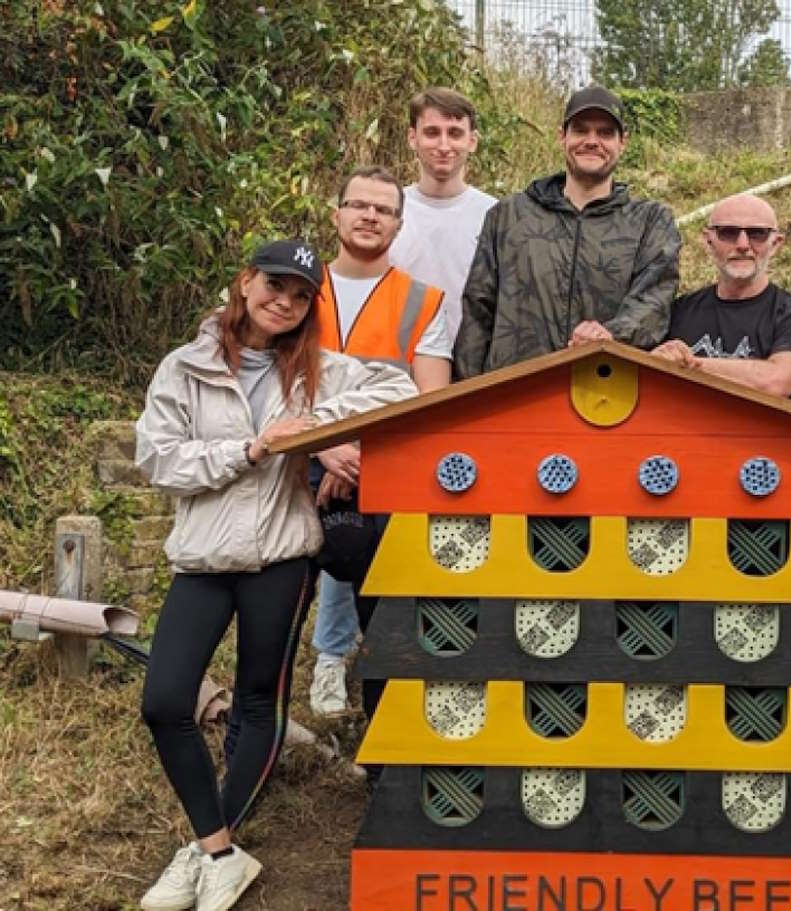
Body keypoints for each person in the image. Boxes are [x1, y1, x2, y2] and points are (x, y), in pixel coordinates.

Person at [135, 239, 417, 911]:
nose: (284, 301)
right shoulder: (186, 367)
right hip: (203, 556)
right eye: (274, 285)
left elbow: (399, 386)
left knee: (260, 700)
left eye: (299, 294)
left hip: (283, 556)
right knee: (166, 701)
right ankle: (217, 848)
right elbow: (158, 459)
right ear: (245, 282)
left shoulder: (317, 368)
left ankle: (209, 849)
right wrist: (253, 447)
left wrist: (315, 428)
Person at [306, 165, 449, 718]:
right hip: (293, 474)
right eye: (359, 205)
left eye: (384, 210)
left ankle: (385, 741)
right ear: (336, 212)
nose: (370, 216)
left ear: (399, 223)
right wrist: (324, 448)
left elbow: (428, 404)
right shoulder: (295, 288)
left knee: (385, 613)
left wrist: (356, 459)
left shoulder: (422, 300)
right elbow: (269, 387)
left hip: (378, 477)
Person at [451, 84, 680, 378]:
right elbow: (477, 312)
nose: (592, 141)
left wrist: (608, 336)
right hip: (515, 395)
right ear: (562, 136)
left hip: (606, 395)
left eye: (605, 133)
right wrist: (466, 394)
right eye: (581, 130)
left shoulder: (650, 222)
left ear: (623, 142)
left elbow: (654, 303)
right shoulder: (509, 216)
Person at [650, 193, 791, 401]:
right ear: (708, 241)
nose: (742, 244)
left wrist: (684, 365)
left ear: (775, 243)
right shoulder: (677, 311)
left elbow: (775, 382)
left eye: (757, 233)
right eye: (728, 233)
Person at [388, 87, 497, 342]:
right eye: (432, 133)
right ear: (412, 137)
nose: (444, 145)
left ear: (472, 141)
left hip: (471, 369)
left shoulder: (495, 214)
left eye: (455, 133)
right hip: (396, 363)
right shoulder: (387, 209)